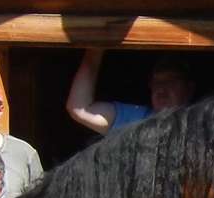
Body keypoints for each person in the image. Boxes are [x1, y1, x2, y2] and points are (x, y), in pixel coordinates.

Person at [66, 50, 195, 137]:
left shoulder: (202, 125)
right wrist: (96, 48)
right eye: (157, 81)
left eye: (171, 81)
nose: (161, 89)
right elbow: (80, 109)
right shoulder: (136, 120)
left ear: (189, 89)